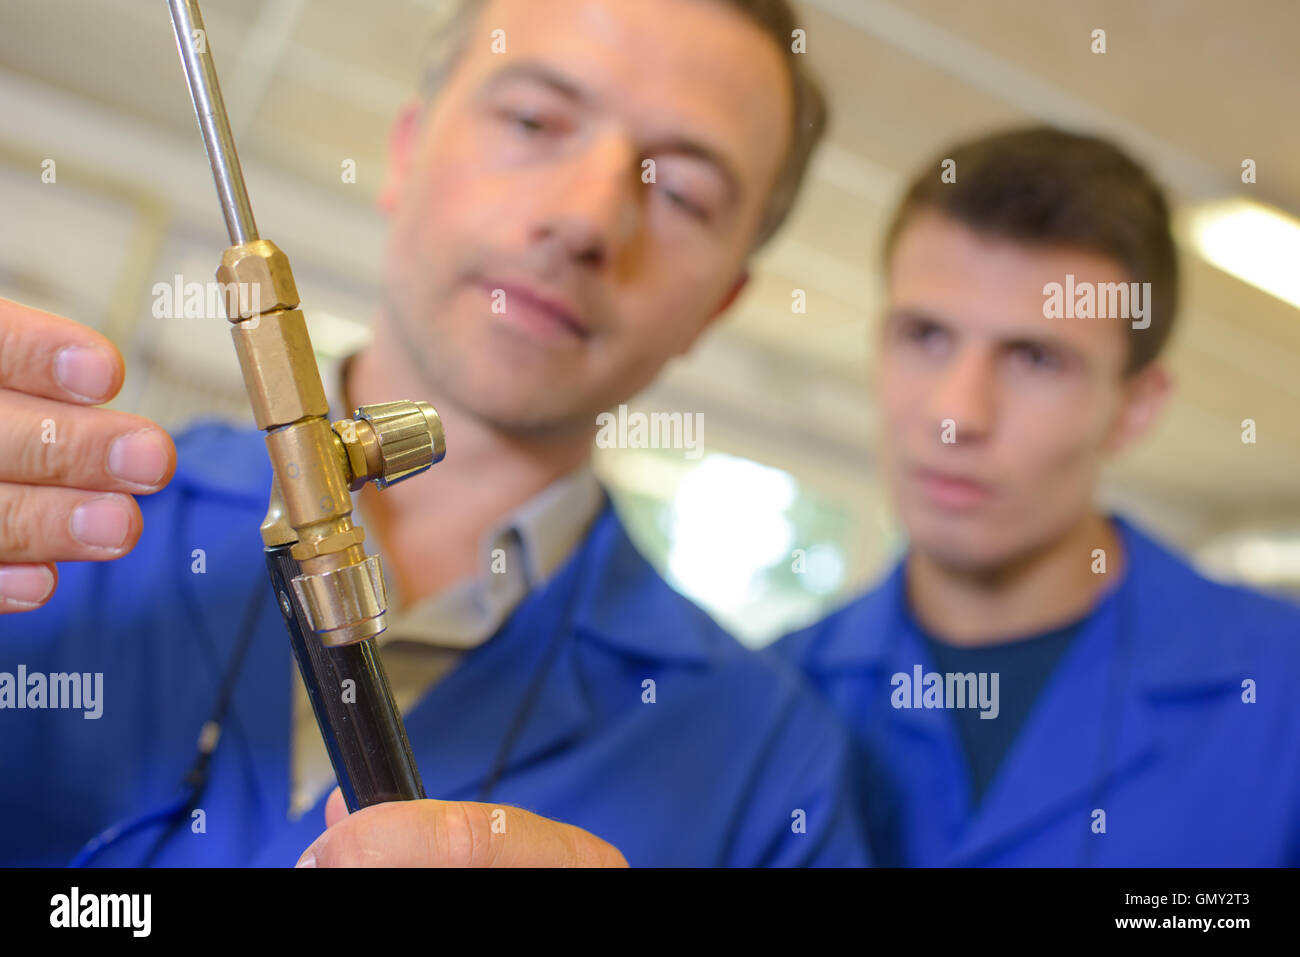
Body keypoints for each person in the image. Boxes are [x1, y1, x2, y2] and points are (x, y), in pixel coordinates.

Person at [0, 0, 866, 867]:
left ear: (717, 306)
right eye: (533, 120)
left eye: (681, 191)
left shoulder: (770, 770)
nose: (587, 219)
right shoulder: (67, 524)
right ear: (406, 148)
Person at [772, 125, 1300, 867]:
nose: (958, 414)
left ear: (1135, 406)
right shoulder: (767, 702)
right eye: (925, 336)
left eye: (1034, 358)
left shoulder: (1280, 695)